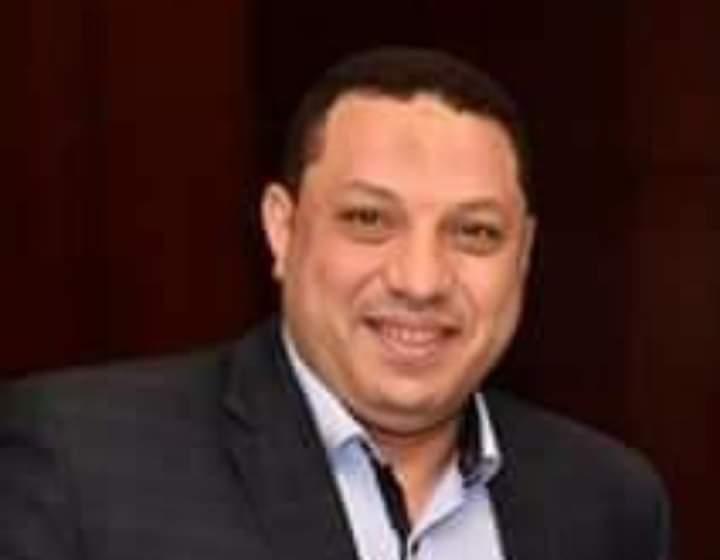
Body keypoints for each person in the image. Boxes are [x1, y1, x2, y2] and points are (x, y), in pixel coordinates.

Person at [0, 47, 669, 560]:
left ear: (523, 255)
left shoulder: (608, 505)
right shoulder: (80, 464)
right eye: (369, 219)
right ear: (282, 230)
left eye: (475, 232)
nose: (420, 280)